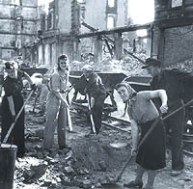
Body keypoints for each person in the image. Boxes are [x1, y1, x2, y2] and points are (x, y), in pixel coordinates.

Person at [116, 82, 168, 189]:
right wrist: (134, 147)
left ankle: (149, 185)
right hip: (145, 130)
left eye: (123, 91)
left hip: (156, 127)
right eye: (119, 93)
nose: (122, 94)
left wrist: (164, 103)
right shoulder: (130, 109)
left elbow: (161, 92)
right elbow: (134, 129)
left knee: (153, 158)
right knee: (140, 156)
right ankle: (138, 181)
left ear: (129, 90)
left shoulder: (142, 95)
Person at [142, 58, 186, 176]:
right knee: (160, 136)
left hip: (177, 109)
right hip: (164, 110)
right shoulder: (153, 82)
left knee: (176, 138)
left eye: (149, 69)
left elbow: (190, 79)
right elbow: (156, 99)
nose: (148, 72)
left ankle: (178, 166)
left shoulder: (173, 74)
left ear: (157, 67)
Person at [0, 61, 34, 158]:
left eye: (12, 71)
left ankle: (19, 152)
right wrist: (13, 114)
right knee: (8, 127)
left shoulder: (19, 73)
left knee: (19, 126)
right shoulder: (7, 82)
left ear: (15, 69)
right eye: (9, 72)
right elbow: (10, 101)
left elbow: (25, 75)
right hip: (8, 106)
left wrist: (32, 83)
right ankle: (6, 153)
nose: (11, 74)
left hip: (19, 101)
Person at [43, 54, 70, 151]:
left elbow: (65, 87)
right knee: (51, 122)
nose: (63, 64)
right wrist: (64, 100)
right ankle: (47, 147)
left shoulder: (66, 73)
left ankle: (62, 145)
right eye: (61, 62)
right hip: (54, 99)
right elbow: (55, 90)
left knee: (62, 123)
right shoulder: (55, 75)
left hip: (63, 97)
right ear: (58, 63)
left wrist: (67, 92)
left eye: (65, 62)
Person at [82, 65, 106, 135]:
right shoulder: (92, 76)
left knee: (96, 112)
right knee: (93, 112)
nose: (84, 75)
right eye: (83, 73)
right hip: (96, 94)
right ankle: (94, 129)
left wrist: (91, 108)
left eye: (85, 73)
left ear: (89, 72)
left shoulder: (94, 80)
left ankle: (96, 131)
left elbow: (93, 96)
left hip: (99, 96)